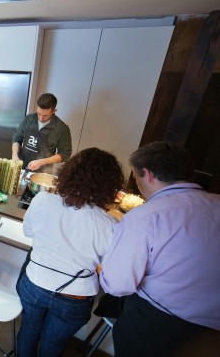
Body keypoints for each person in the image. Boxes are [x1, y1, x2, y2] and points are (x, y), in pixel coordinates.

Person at [100, 142, 220, 357]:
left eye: (136, 175)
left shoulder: (146, 216)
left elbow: (117, 285)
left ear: (148, 174)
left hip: (159, 327)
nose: (136, 182)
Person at [16, 147, 125, 357]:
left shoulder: (43, 200)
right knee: (53, 346)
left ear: (69, 173)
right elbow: (110, 269)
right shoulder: (111, 224)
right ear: (110, 186)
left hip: (35, 285)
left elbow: (28, 231)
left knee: (28, 331)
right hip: (75, 297)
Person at [12, 93, 72, 172]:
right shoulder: (29, 119)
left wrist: (41, 162)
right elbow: (17, 139)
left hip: (42, 172)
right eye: (39, 113)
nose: (41, 118)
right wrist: (15, 155)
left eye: (45, 115)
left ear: (54, 111)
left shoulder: (61, 128)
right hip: (21, 167)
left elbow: (65, 154)